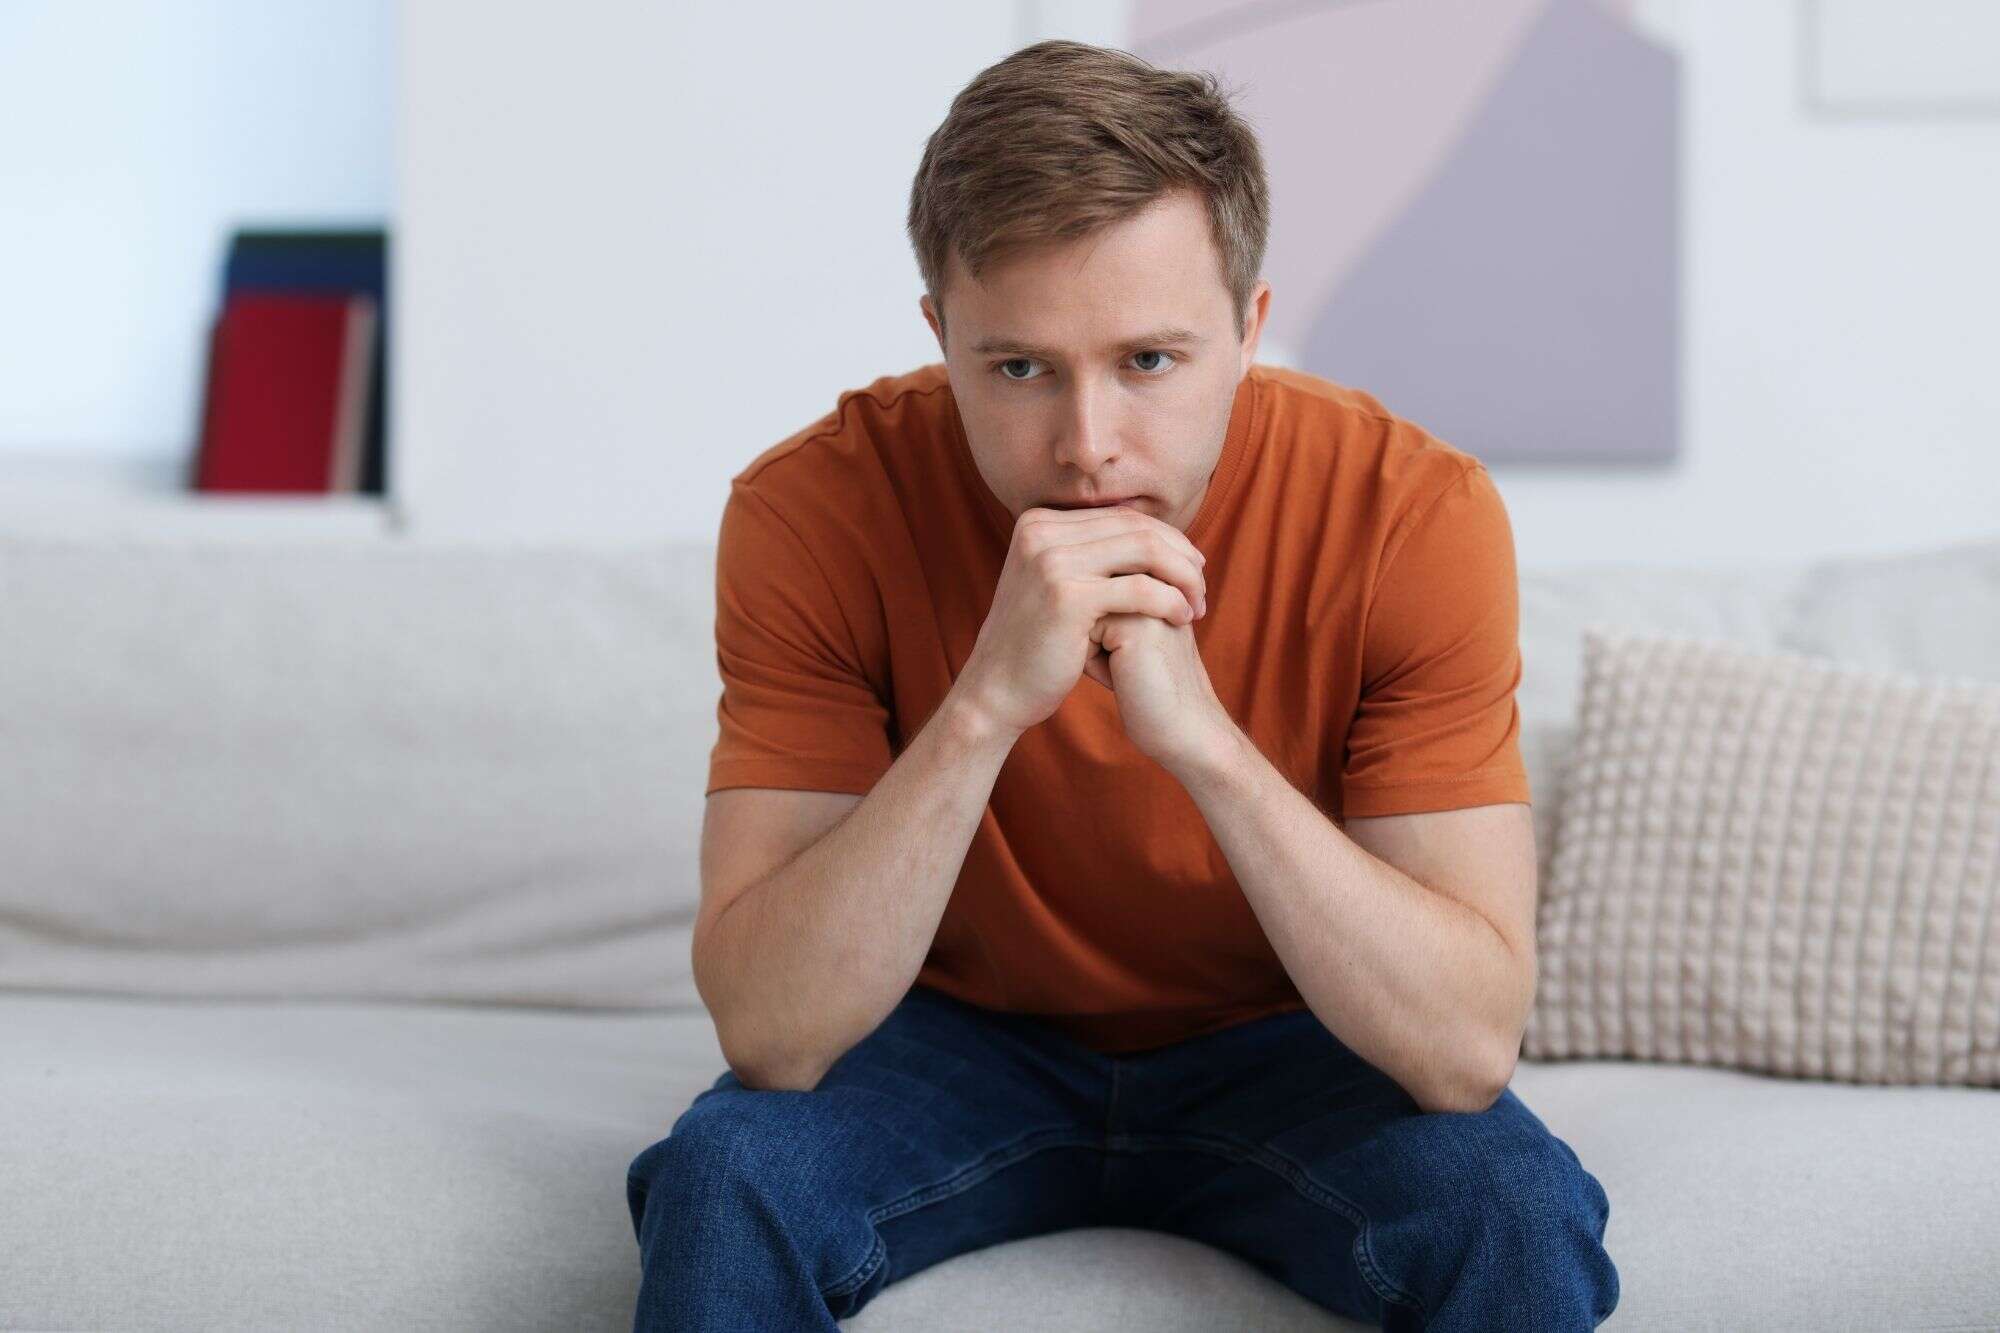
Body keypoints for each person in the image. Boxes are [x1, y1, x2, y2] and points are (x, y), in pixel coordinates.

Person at [625, 37, 1619, 1333]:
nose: (1087, 446)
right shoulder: (812, 509)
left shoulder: (1408, 514)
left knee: (1513, 1212)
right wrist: (986, 702)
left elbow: (1461, 1048)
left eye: (1150, 361)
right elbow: (772, 1032)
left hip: (1293, 1037)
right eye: (1019, 367)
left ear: (1250, 330)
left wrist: (1202, 742)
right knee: (723, 1180)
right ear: (941, 336)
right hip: (948, 1037)